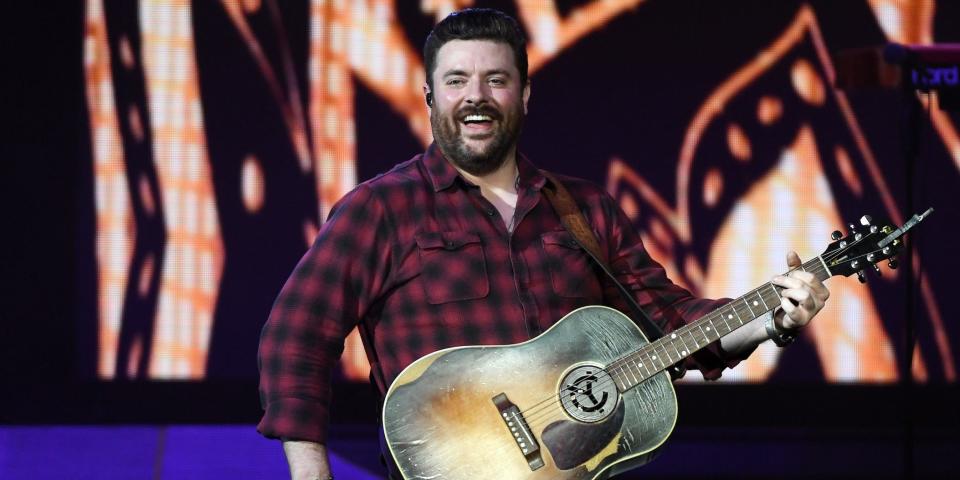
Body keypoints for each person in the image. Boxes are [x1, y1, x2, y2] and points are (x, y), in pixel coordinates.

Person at [257, 8, 830, 480]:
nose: (475, 97)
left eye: (495, 80)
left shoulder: (583, 210)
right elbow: (294, 336)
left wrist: (772, 317)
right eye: (456, 81)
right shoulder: (381, 209)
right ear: (429, 95)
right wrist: (312, 476)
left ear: (525, 94)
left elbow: (672, 322)